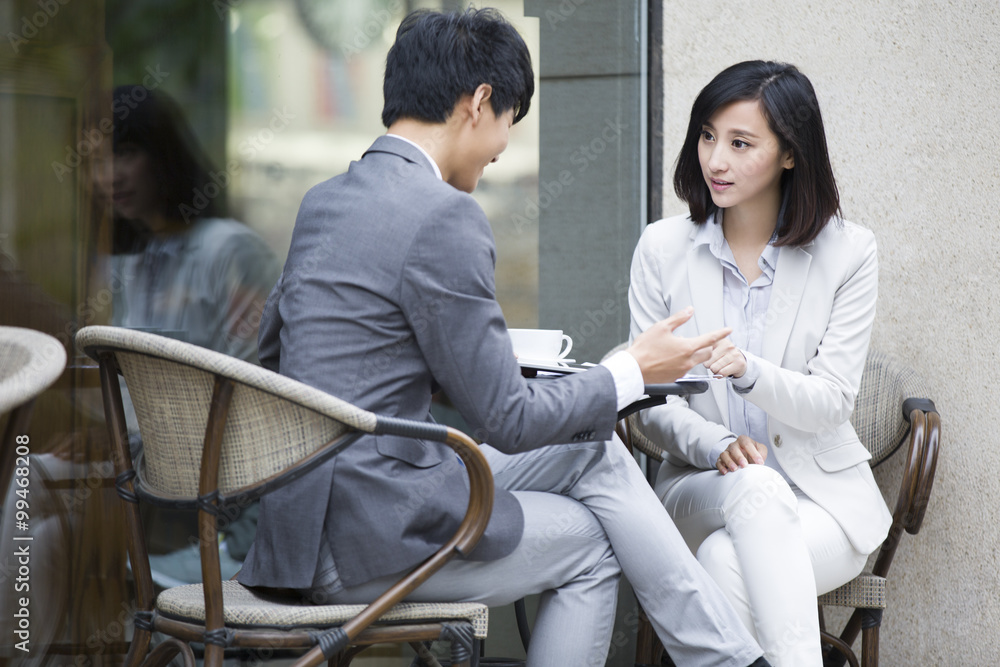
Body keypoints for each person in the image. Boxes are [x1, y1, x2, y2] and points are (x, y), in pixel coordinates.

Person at [239, 8, 769, 667]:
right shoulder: (444, 216)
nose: (503, 147)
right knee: (595, 541)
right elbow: (507, 419)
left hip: (299, 531)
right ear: (480, 101)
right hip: (369, 539)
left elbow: (273, 360)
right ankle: (732, 661)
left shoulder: (325, 200)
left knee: (597, 451)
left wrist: (420, 361)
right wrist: (631, 371)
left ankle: (732, 661)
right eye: (509, 122)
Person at [628, 60, 893, 666]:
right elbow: (649, 400)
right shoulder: (661, 249)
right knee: (752, 492)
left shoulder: (849, 252)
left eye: (740, 143)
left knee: (725, 560)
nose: (715, 159)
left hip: (821, 500)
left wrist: (747, 370)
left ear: (790, 155)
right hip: (699, 489)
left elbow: (831, 401)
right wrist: (713, 441)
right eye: (707, 136)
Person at [109, 84, 280, 577]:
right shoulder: (136, 261)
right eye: (98, 159)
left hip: (225, 479)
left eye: (126, 152)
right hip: (153, 467)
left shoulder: (227, 249)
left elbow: (250, 387)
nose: (109, 174)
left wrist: (116, 436)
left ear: (162, 155)